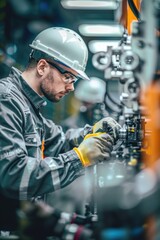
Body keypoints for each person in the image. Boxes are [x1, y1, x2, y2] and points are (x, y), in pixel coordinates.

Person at [0, 27, 121, 230]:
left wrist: (90, 133)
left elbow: (59, 141)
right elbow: (13, 175)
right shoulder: (6, 101)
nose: (72, 87)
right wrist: (79, 158)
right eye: (68, 77)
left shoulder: (30, 106)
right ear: (42, 67)